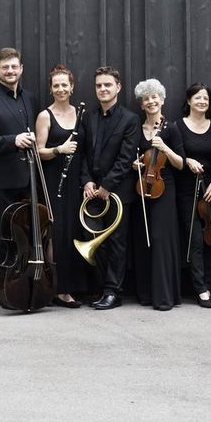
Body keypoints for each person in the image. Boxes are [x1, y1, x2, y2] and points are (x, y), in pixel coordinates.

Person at [34, 64, 96, 308]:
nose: (61, 89)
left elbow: (86, 152)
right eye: (56, 85)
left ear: (72, 87)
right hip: (53, 180)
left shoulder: (82, 114)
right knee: (56, 234)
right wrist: (59, 149)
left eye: (64, 85)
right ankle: (56, 288)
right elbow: (39, 152)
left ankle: (72, 286)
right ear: (51, 89)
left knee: (73, 232)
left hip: (75, 181)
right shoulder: (44, 116)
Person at [80, 66, 141, 310]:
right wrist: (86, 180)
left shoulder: (130, 119)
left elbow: (126, 157)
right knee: (93, 238)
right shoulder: (88, 117)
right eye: (99, 85)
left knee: (116, 242)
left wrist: (107, 185)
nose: (103, 89)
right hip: (91, 191)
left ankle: (113, 291)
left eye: (107, 85)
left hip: (117, 192)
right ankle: (102, 286)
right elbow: (82, 153)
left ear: (118, 87)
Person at [0, 47, 40, 271]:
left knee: (26, 236)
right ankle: (2, 288)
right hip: (1, 183)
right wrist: (14, 140)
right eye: (5, 67)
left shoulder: (30, 98)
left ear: (21, 69)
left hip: (28, 181)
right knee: (3, 237)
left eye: (14, 66)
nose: (10, 71)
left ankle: (24, 285)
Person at [130, 79, 185, 311]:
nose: (151, 101)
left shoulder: (171, 128)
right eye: (146, 99)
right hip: (142, 186)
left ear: (162, 100)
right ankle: (146, 294)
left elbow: (180, 163)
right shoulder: (136, 129)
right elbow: (132, 157)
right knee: (144, 240)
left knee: (162, 240)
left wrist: (165, 148)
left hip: (165, 187)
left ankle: (164, 296)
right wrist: (135, 164)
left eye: (155, 97)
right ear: (142, 105)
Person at [174, 83, 211, 308]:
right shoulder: (178, 127)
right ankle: (200, 288)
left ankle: (209, 284)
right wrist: (187, 161)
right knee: (195, 241)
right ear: (189, 101)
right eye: (197, 97)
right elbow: (175, 156)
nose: (202, 101)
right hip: (187, 191)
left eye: (205, 98)